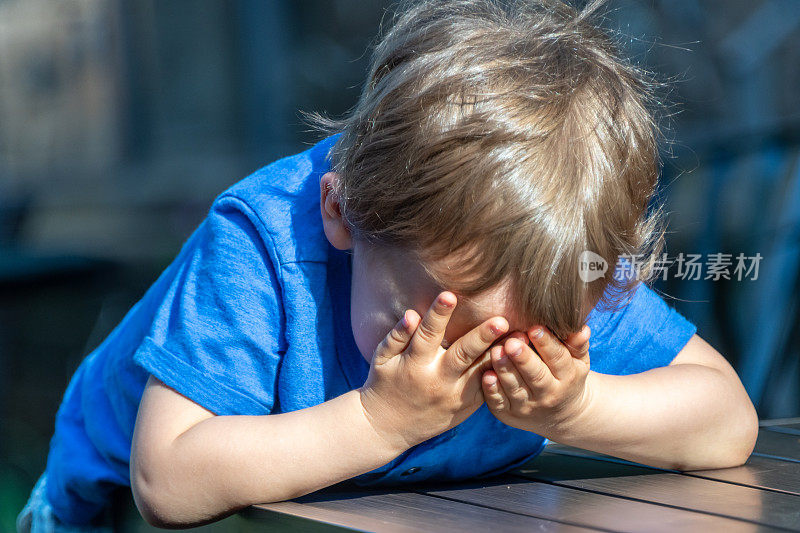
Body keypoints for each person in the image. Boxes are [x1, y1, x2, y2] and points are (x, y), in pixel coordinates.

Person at [18, 0, 758, 530]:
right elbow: (167, 478)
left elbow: (726, 422)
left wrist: (575, 408)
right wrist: (379, 420)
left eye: (517, 341)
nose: (471, 361)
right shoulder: (265, 244)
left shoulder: (549, 265)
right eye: (437, 322)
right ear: (344, 215)